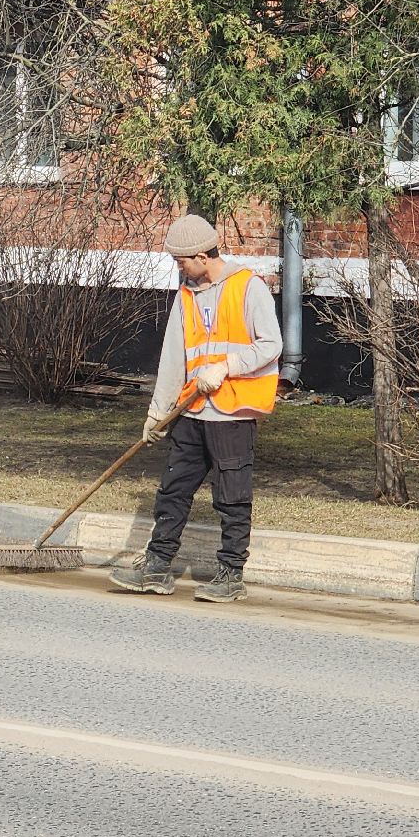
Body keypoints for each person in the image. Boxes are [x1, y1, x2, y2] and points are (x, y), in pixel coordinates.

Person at [110, 213, 281, 602]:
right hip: (191, 411)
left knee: (231, 495)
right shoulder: (185, 296)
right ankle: (157, 567)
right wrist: (157, 412)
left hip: (232, 413)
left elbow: (271, 345)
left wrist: (225, 367)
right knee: (173, 489)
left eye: (182, 261)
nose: (179, 268)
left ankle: (231, 574)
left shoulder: (248, 286)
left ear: (203, 256)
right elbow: (174, 358)